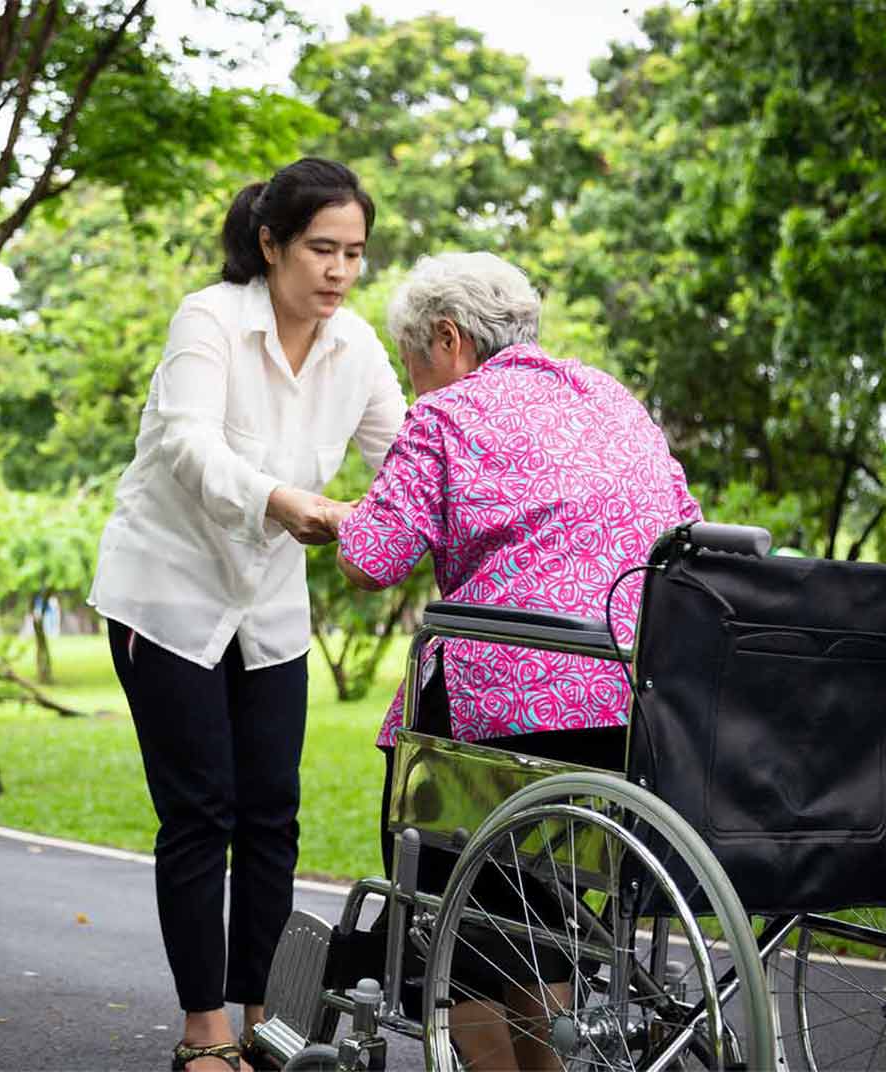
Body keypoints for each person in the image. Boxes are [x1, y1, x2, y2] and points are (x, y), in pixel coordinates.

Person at [334, 251, 702, 1070]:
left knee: (450, 904)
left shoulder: (447, 416)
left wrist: (336, 518)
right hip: (624, 714)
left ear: (448, 337)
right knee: (536, 903)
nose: (417, 385)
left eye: (414, 365)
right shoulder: (610, 397)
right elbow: (684, 523)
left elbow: (370, 560)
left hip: (494, 719)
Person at [88, 158, 406, 1072]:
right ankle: (204, 1035)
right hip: (168, 595)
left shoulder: (358, 351)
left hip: (267, 607)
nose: (340, 271)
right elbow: (186, 443)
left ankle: (270, 1019)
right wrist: (281, 499)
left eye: (355, 252)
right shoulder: (210, 320)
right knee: (200, 812)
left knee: (272, 811)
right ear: (270, 245)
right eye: (321, 249)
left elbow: (409, 454)